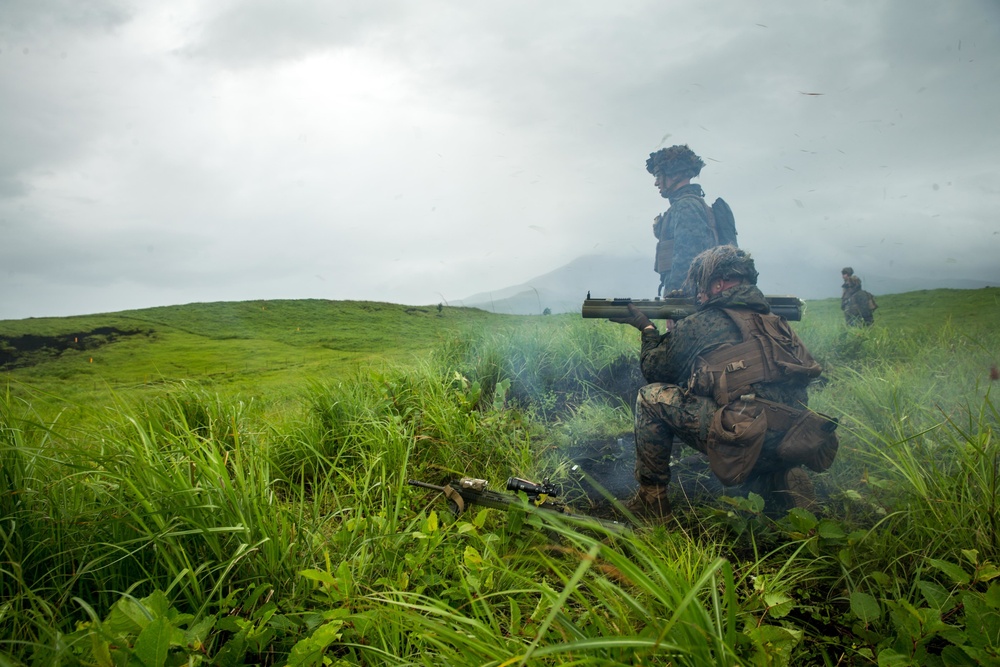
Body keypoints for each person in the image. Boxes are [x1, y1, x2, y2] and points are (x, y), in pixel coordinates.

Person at [611, 246, 838, 518]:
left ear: (717, 283)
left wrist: (649, 331)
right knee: (751, 402)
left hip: (744, 439)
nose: (699, 293)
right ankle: (778, 478)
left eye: (702, 285)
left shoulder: (704, 322)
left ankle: (651, 500)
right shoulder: (776, 322)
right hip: (793, 441)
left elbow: (655, 370)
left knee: (651, 397)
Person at [647, 144, 717, 297]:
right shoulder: (688, 205)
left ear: (674, 175)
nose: (656, 183)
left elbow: (687, 260)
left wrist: (676, 303)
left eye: (659, 175)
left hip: (689, 299)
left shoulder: (686, 206)